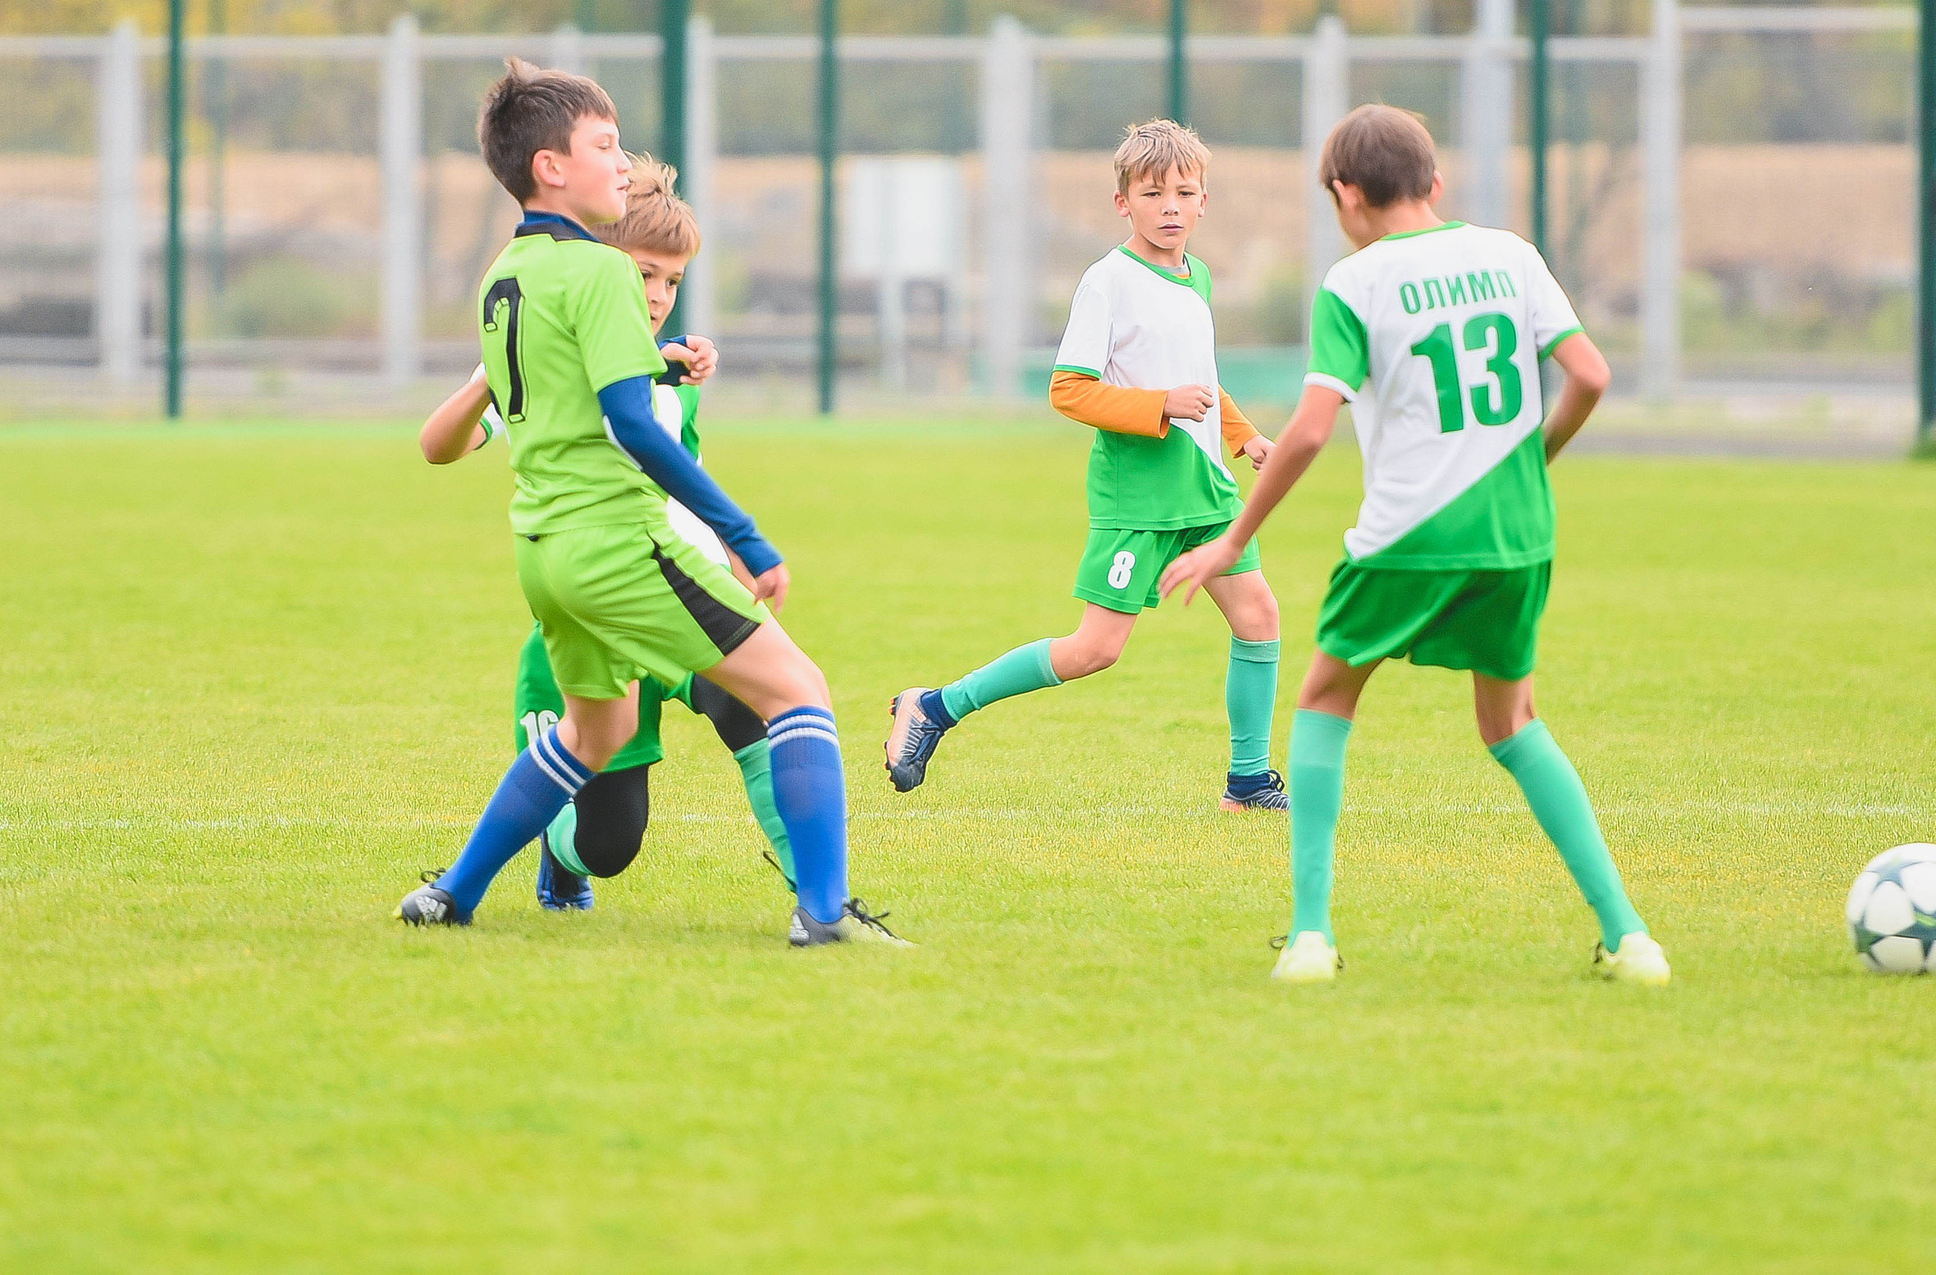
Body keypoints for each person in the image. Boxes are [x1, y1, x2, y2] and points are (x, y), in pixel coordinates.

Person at [1158, 103, 1669, 985]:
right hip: (1517, 532)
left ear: (1346, 193)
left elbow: (1313, 432)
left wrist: (1229, 540)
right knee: (1513, 723)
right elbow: (1591, 373)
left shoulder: (1355, 283)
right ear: (1435, 184)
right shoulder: (1511, 252)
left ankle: (1312, 936)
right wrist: (1532, 461)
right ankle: (1631, 937)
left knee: (1323, 697)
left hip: (1407, 535)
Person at [398, 59, 900, 946]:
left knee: (598, 732)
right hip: (622, 541)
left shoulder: (504, 276)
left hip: (544, 549)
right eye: (605, 144)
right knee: (798, 689)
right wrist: (743, 531)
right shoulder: (597, 273)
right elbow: (630, 421)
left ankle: (455, 890)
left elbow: (581, 392)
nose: (621, 161)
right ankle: (825, 914)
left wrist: (668, 361)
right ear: (551, 166)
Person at [416, 159, 798, 912]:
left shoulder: (668, 375)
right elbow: (438, 444)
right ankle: (555, 857)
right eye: (645, 275)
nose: (657, 297)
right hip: (592, 606)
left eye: (673, 282)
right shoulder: (550, 358)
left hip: (671, 587)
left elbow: (681, 485)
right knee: (610, 844)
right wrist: (489, 380)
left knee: (755, 702)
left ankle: (817, 895)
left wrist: (738, 561)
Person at [883, 120, 1288, 810]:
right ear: (1121, 201)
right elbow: (1068, 388)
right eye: (1152, 191)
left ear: (1203, 202)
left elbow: (1198, 375)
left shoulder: (1199, 277)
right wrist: (1160, 404)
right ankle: (934, 707)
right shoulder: (1107, 282)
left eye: (1183, 192)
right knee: (1095, 649)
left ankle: (1247, 781)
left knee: (1258, 615)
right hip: (1138, 496)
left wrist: (1244, 433)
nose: (1169, 206)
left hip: (1205, 489)